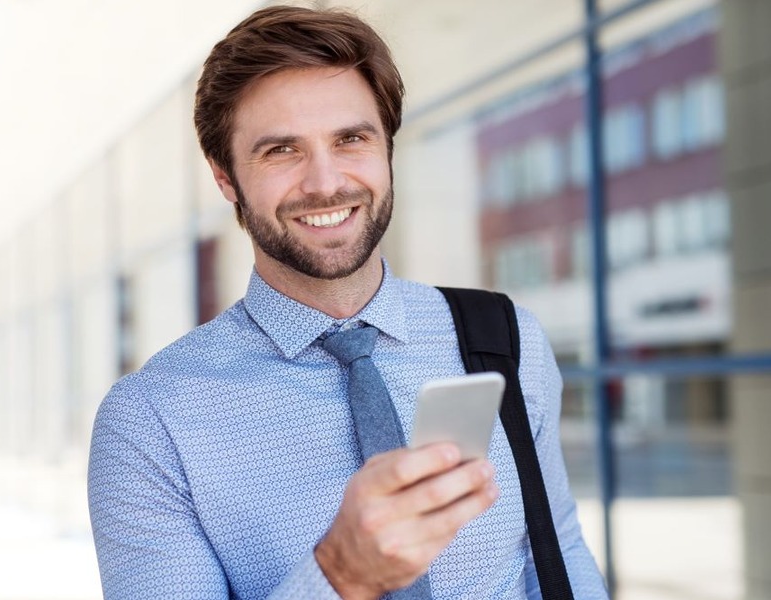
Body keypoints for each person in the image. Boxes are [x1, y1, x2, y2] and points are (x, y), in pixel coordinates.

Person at [88, 5, 607, 599]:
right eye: (281, 150)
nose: (325, 182)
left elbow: (558, 546)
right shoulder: (149, 421)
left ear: (387, 148)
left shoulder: (505, 337)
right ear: (225, 177)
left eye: (351, 139)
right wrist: (340, 577)